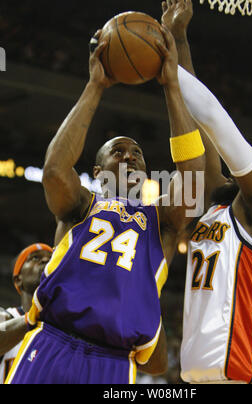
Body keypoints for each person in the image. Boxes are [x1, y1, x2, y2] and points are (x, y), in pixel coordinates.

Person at [6, 25, 206, 384]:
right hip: (52, 342)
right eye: (118, 152)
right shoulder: (82, 204)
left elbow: (193, 178)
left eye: (138, 155)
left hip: (114, 362)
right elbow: (54, 169)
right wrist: (95, 85)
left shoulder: (161, 220)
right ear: (99, 172)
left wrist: (172, 86)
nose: (130, 158)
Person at [162, 0, 252, 384]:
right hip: (198, 376)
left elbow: (215, 121)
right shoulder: (221, 206)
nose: (249, 165)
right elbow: (198, 124)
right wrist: (178, 38)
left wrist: (165, 62)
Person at [0, 243, 53, 383]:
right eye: (35, 258)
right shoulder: (5, 316)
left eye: (52, 258)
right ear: (18, 280)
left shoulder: (68, 323)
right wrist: (32, 316)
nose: (46, 261)